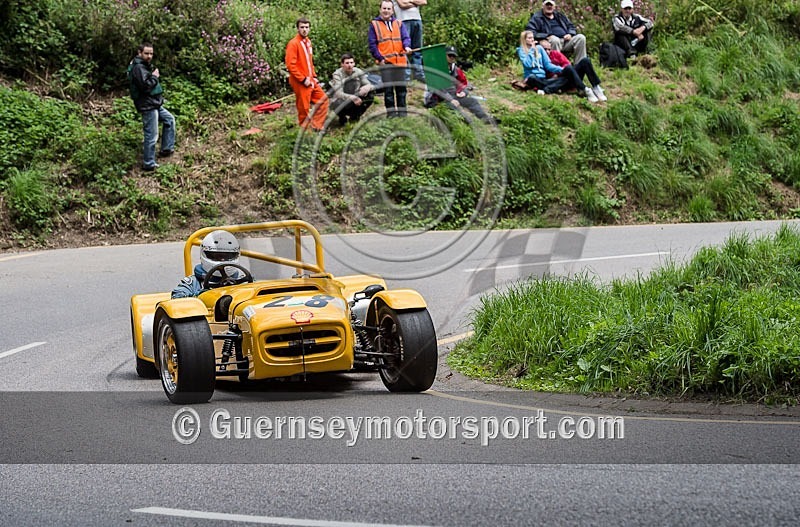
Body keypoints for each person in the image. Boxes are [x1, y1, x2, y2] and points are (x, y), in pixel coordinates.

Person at [127, 43, 176, 172]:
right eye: (146, 53)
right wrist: (154, 76)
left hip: (154, 103)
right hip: (148, 105)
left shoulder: (143, 66)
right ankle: (148, 163)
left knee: (169, 120)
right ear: (139, 53)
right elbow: (145, 86)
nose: (149, 56)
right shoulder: (138, 67)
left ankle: (166, 149)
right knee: (152, 135)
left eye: (151, 53)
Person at [517, 31, 597, 101]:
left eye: (533, 37)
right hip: (532, 77)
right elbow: (527, 64)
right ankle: (550, 88)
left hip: (544, 79)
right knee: (532, 77)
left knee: (564, 78)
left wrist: (562, 70)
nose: (532, 40)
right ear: (524, 40)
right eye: (529, 38)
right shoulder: (521, 50)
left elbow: (548, 65)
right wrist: (532, 51)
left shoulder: (540, 48)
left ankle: (547, 89)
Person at [426, 46, 494, 123]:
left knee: (473, 101)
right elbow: (438, 88)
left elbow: (466, 84)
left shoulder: (456, 70)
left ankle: (485, 119)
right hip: (438, 100)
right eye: (449, 55)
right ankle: (465, 121)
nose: (452, 58)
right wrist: (451, 100)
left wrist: (463, 92)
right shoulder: (437, 69)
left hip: (454, 97)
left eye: (454, 56)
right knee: (456, 109)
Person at [172, 230, 247, 298]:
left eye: (228, 257)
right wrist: (200, 297)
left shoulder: (244, 281)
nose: (222, 261)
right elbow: (177, 299)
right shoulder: (194, 283)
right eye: (217, 257)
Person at [369, 0, 413, 117]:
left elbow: (406, 38)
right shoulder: (374, 24)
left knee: (401, 90)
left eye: (388, 9)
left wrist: (407, 46)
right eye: (384, 8)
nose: (386, 11)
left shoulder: (399, 23)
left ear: (392, 10)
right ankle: (391, 114)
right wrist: (379, 58)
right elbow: (372, 44)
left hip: (400, 62)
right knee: (388, 90)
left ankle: (403, 114)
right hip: (386, 62)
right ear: (380, 10)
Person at [285, 17, 329, 132]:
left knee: (323, 100)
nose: (304, 30)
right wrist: (303, 79)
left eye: (306, 27)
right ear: (298, 28)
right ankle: (305, 132)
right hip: (300, 81)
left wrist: (314, 76)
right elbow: (291, 65)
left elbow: (309, 62)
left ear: (309, 28)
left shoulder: (308, 42)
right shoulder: (293, 43)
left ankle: (316, 126)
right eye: (302, 27)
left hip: (310, 79)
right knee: (304, 108)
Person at [540, 39, 607, 102]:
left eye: (549, 49)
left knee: (585, 61)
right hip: (559, 82)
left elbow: (567, 63)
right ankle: (584, 89)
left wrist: (559, 72)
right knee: (568, 68)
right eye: (545, 49)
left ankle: (596, 87)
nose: (547, 52)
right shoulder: (539, 59)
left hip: (567, 74)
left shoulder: (555, 54)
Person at [330, 53, 375, 126]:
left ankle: (355, 117)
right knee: (336, 103)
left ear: (354, 63)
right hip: (342, 99)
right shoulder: (337, 74)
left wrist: (368, 87)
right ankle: (342, 117)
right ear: (342, 64)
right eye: (347, 63)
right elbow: (338, 93)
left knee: (370, 95)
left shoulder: (358, 71)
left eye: (351, 62)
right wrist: (352, 97)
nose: (349, 65)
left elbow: (370, 85)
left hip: (355, 97)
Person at [393, 0, 426, 82]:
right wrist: (415, 3)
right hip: (403, 20)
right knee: (404, 48)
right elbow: (402, 5)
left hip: (417, 19)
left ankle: (418, 74)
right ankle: (406, 76)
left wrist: (409, 1)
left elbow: (424, 2)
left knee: (418, 49)